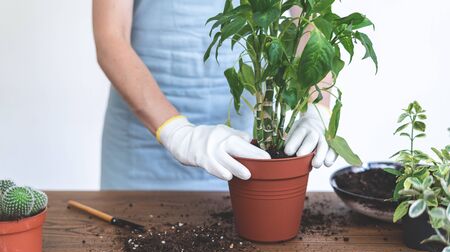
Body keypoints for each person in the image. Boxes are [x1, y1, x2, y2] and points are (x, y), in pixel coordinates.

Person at [93, 0, 338, 191]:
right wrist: (176, 132)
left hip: (237, 141)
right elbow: (111, 37)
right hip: (141, 143)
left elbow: (312, 19)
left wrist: (317, 108)